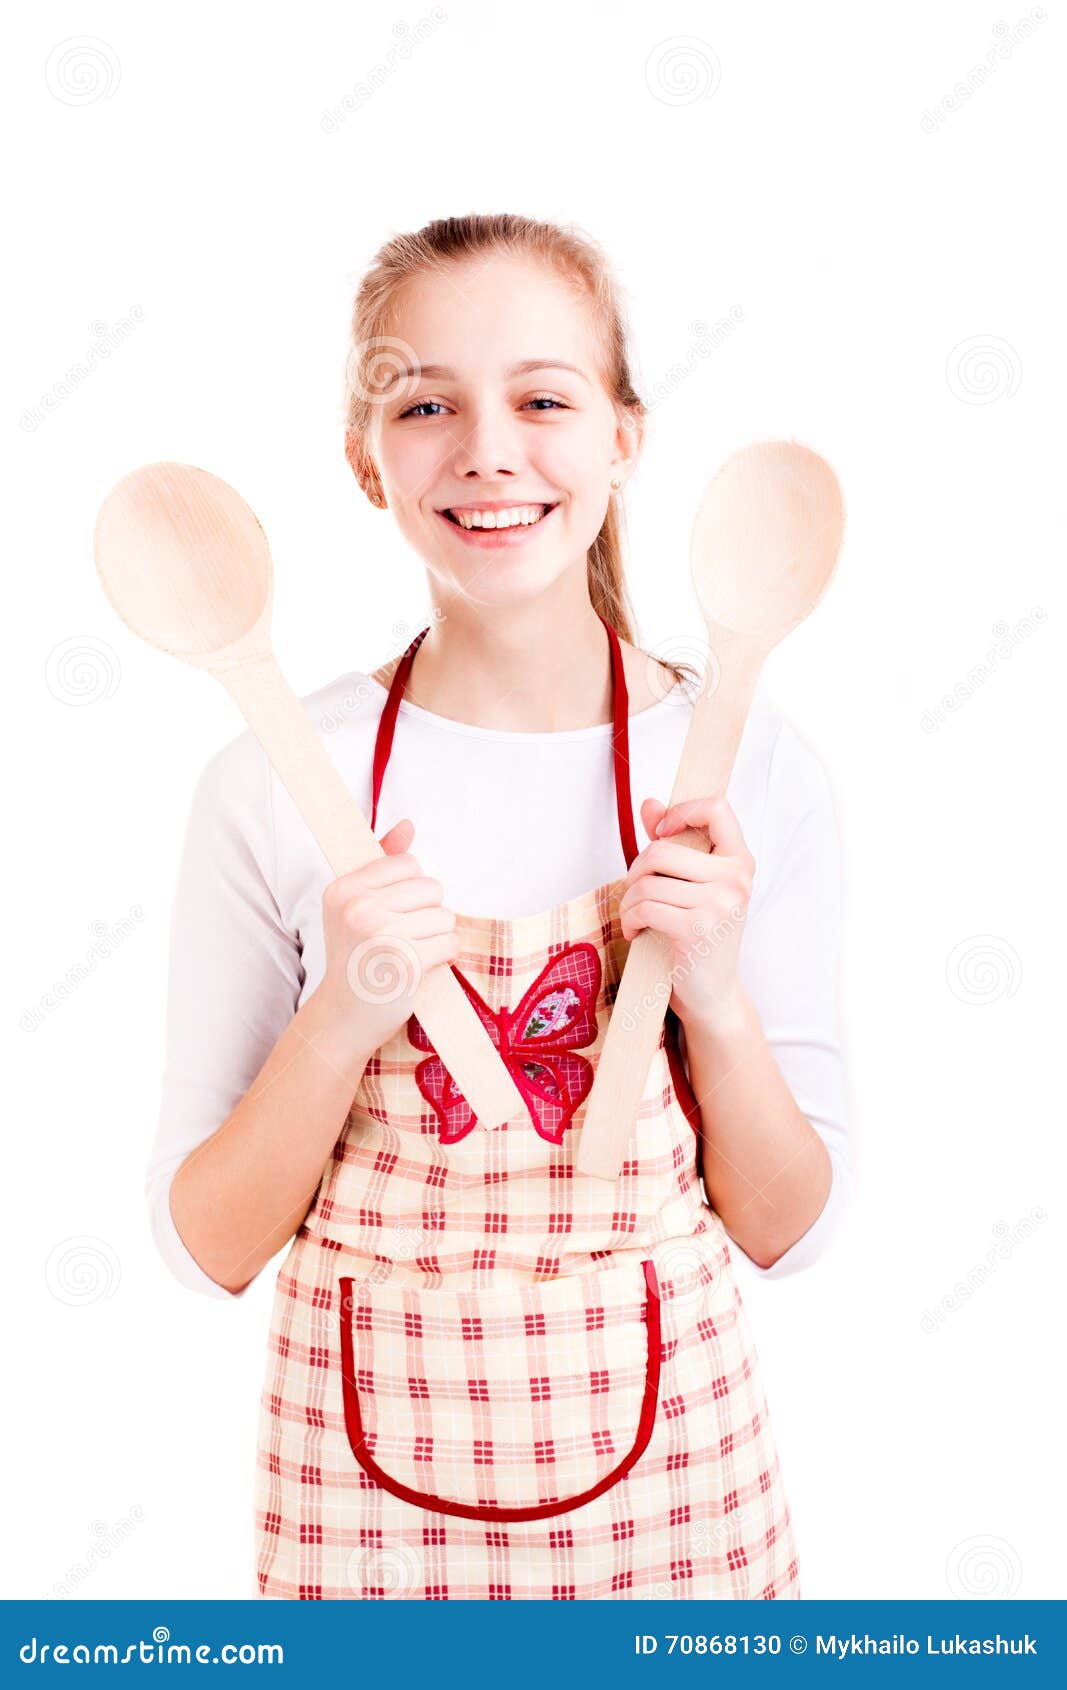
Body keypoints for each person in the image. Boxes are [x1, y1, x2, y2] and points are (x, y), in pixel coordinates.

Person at [146, 213, 850, 1600]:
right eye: (425, 404)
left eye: (542, 397)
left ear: (623, 440)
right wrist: (342, 1012)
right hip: (365, 1517)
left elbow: (793, 1227)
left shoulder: (751, 763)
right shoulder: (275, 777)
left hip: (677, 1525)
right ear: (369, 462)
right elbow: (205, 1244)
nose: (487, 447)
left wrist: (712, 992)